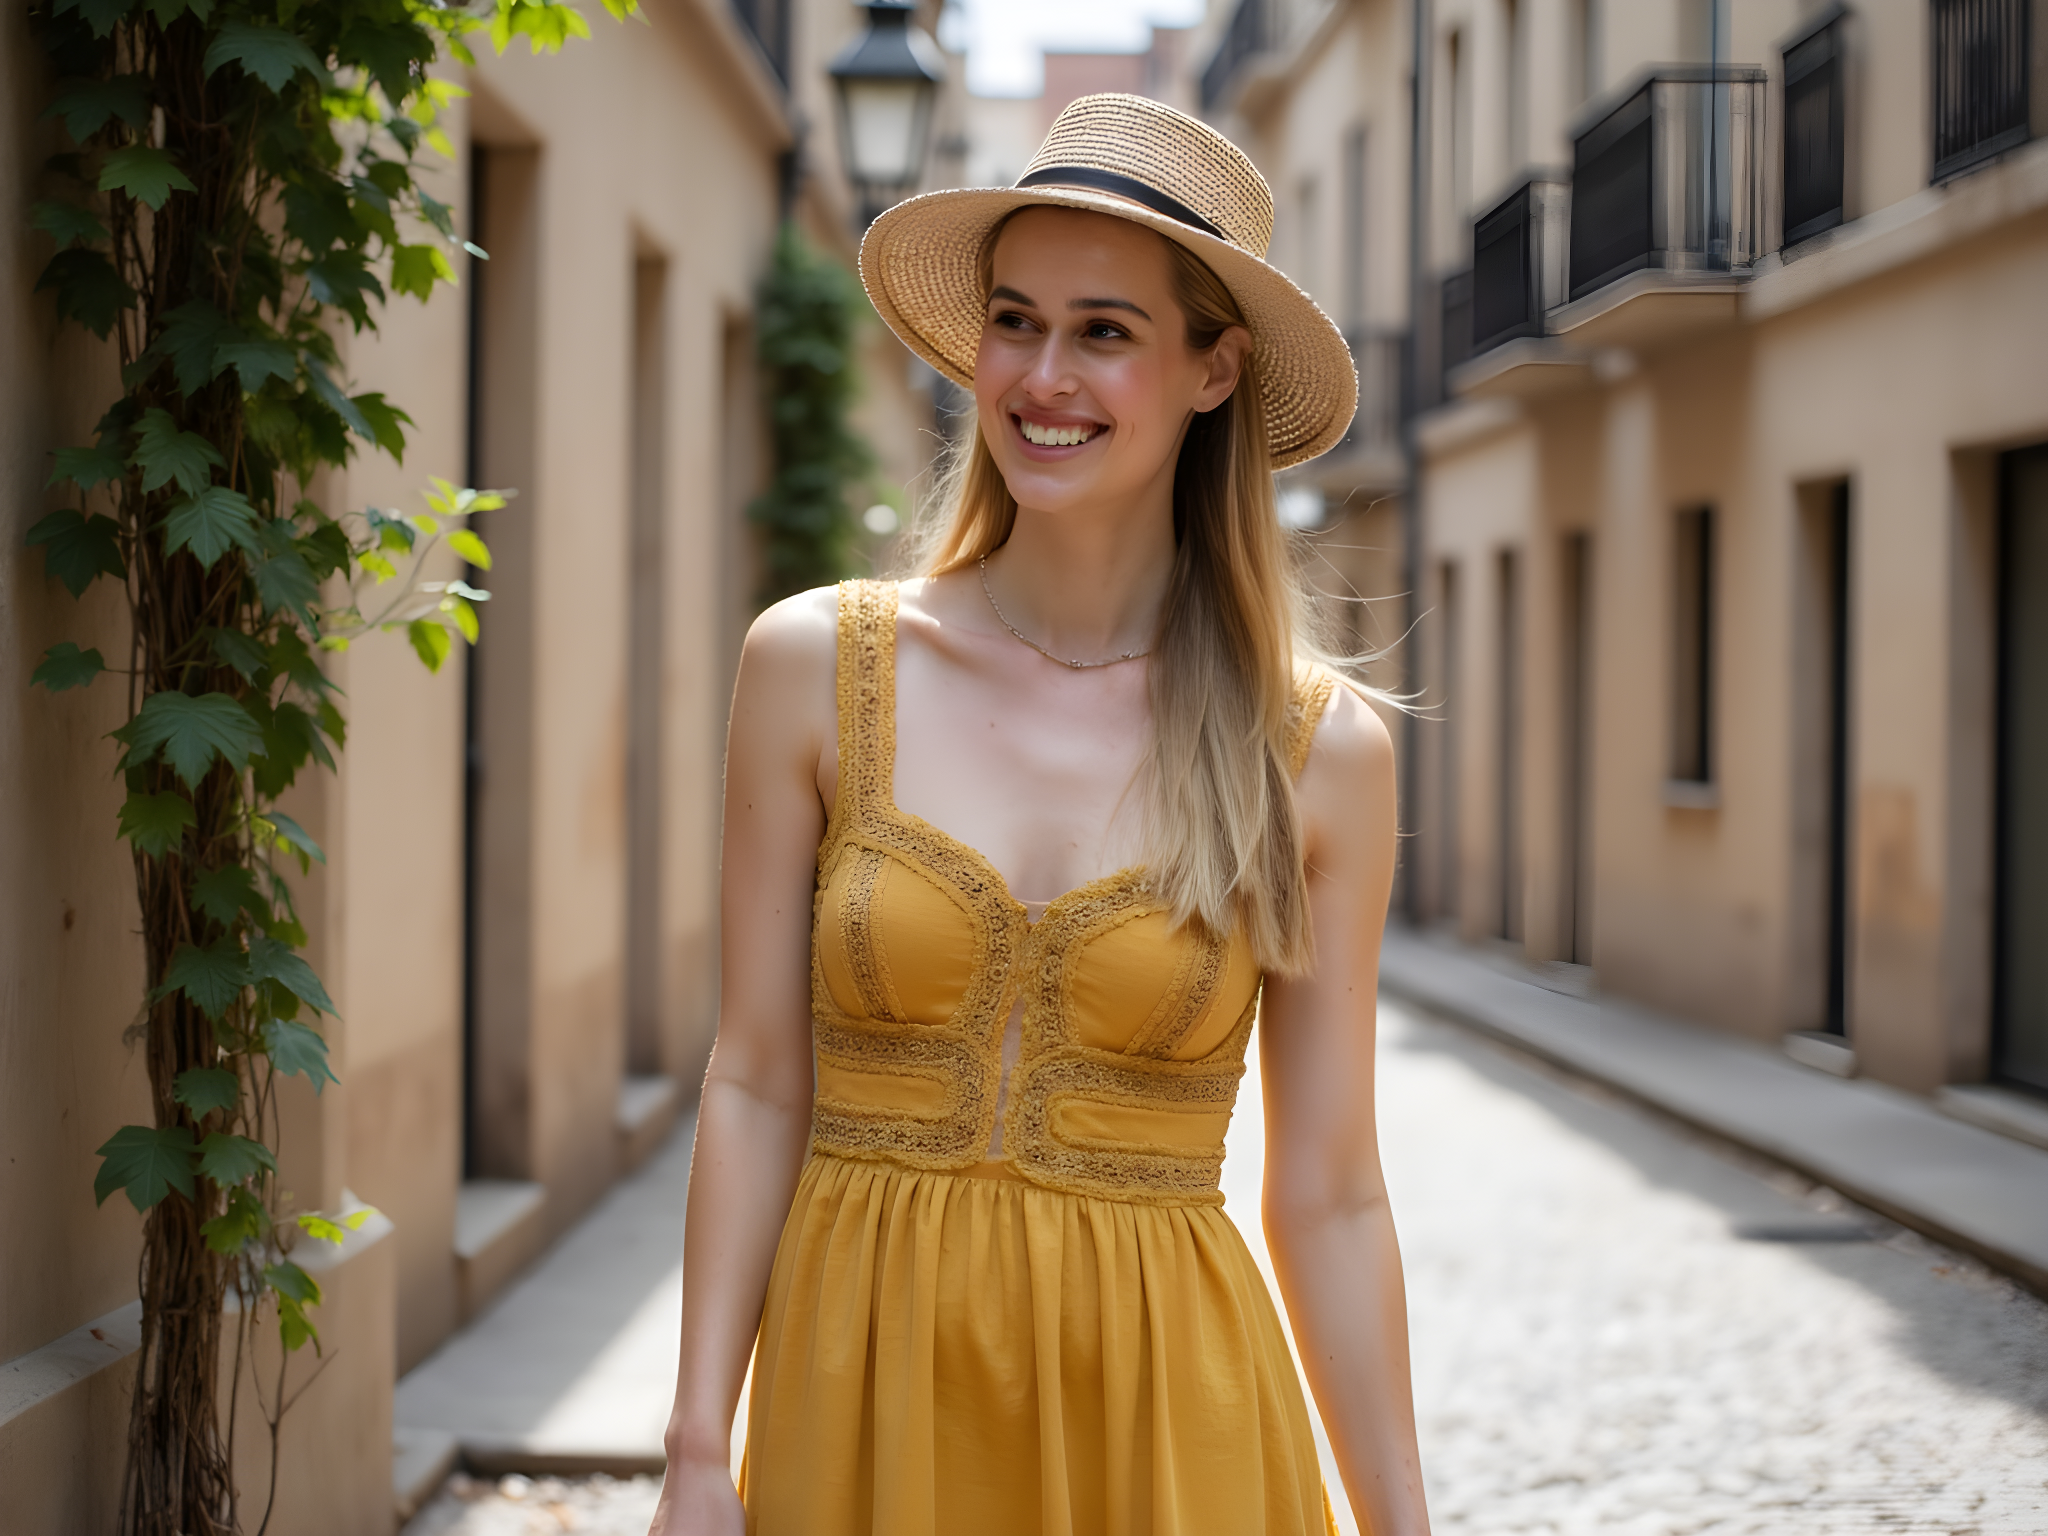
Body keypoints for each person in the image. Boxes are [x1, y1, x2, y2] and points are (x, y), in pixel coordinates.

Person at [648, 94, 1428, 1536]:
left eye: (1106, 331)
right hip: (859, 1406)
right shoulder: (815, 668)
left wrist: (1405, 1526)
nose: (1042, 375)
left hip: (1170, 1437)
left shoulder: (1320, 755)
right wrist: (700, 1443)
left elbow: (1327, 1193)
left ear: (1214, 371)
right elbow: (755, 1080)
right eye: (1016, 321)